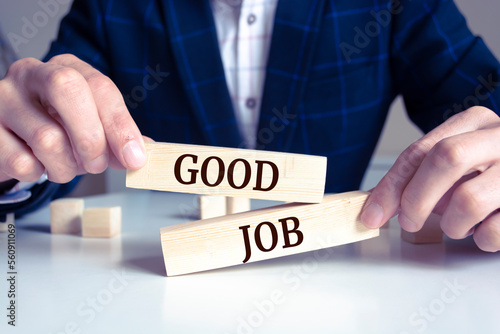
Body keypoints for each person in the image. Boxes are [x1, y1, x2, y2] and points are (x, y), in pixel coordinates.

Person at [0, 0, 499, 252]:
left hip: (339, 289)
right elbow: (46, 134)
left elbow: (485, 99)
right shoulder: (112, 8)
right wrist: (15, 160)